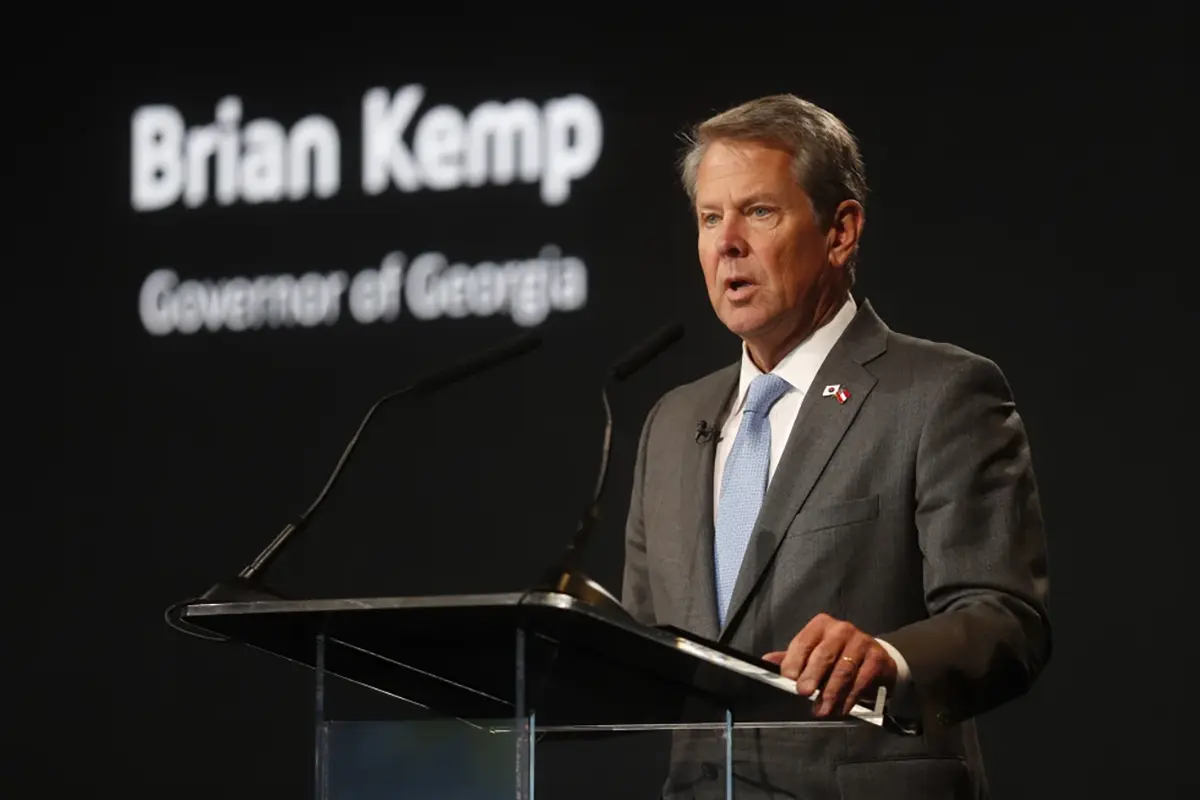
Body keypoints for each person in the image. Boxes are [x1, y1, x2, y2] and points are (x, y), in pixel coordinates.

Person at [620, 94, 1051, 799]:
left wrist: (888, 656)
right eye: (708, 217)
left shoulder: (938, 393)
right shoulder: (672, 422)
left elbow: (1007, 621)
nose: (727, 241)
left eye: (758, 212)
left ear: (841, 231)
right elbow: (642, 654)